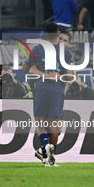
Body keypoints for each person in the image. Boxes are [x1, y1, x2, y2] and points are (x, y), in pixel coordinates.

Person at [29, 22, 73, 167]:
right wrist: (58, 77)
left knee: (40, 122)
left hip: (41, 87)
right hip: (57, 89)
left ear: (44, 34)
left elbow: (29, 69)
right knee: (56, 128)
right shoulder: (65, 52)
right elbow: (70, 75)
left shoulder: (37, 49)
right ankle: (49, 156)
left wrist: (44, 75)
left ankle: (44, 151)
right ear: (58, 33)